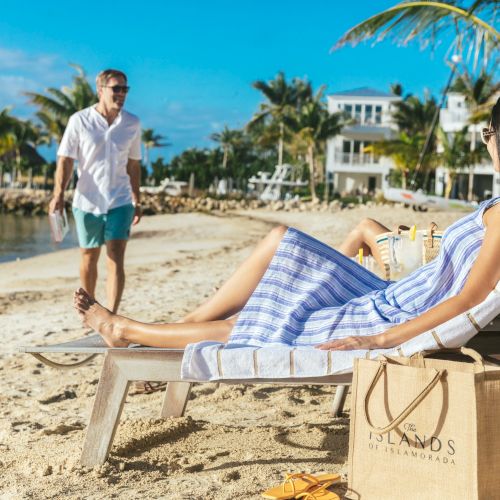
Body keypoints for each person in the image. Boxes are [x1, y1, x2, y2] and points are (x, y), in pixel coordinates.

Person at [74, 98, 500, 351]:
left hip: (395, 312)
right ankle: (175, 327)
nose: (486, 143)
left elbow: (467, 300)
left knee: (258, 323)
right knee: (282, 239)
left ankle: (126, 329)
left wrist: (380, 340)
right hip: (388, 295)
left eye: (487, 134)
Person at [50, 69, 142, 313]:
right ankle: (89, 311)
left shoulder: (132, 123)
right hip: (87, 201)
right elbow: (66, 160)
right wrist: (58, 194)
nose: (121, 94)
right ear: (100, 90)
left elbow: (133, 164)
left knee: (115, 257)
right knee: (89, 256)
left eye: (125, 89)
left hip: (120, 200)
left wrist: (137, 197)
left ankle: (110, 315)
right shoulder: (79, 120)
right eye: (116, 89)